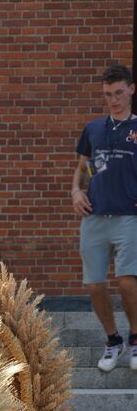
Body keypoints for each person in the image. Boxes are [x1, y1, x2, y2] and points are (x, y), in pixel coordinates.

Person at [72, 65, 137, 372]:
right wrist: (76, 191)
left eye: (119, 93)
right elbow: (86, 167)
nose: (114, 100)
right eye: (108, 95)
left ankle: (136, 340)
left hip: (129, 216)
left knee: (127, 283)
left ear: (131, 90)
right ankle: (113, 341)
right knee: (95, 285)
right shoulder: (94, 130)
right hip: (95, 217)